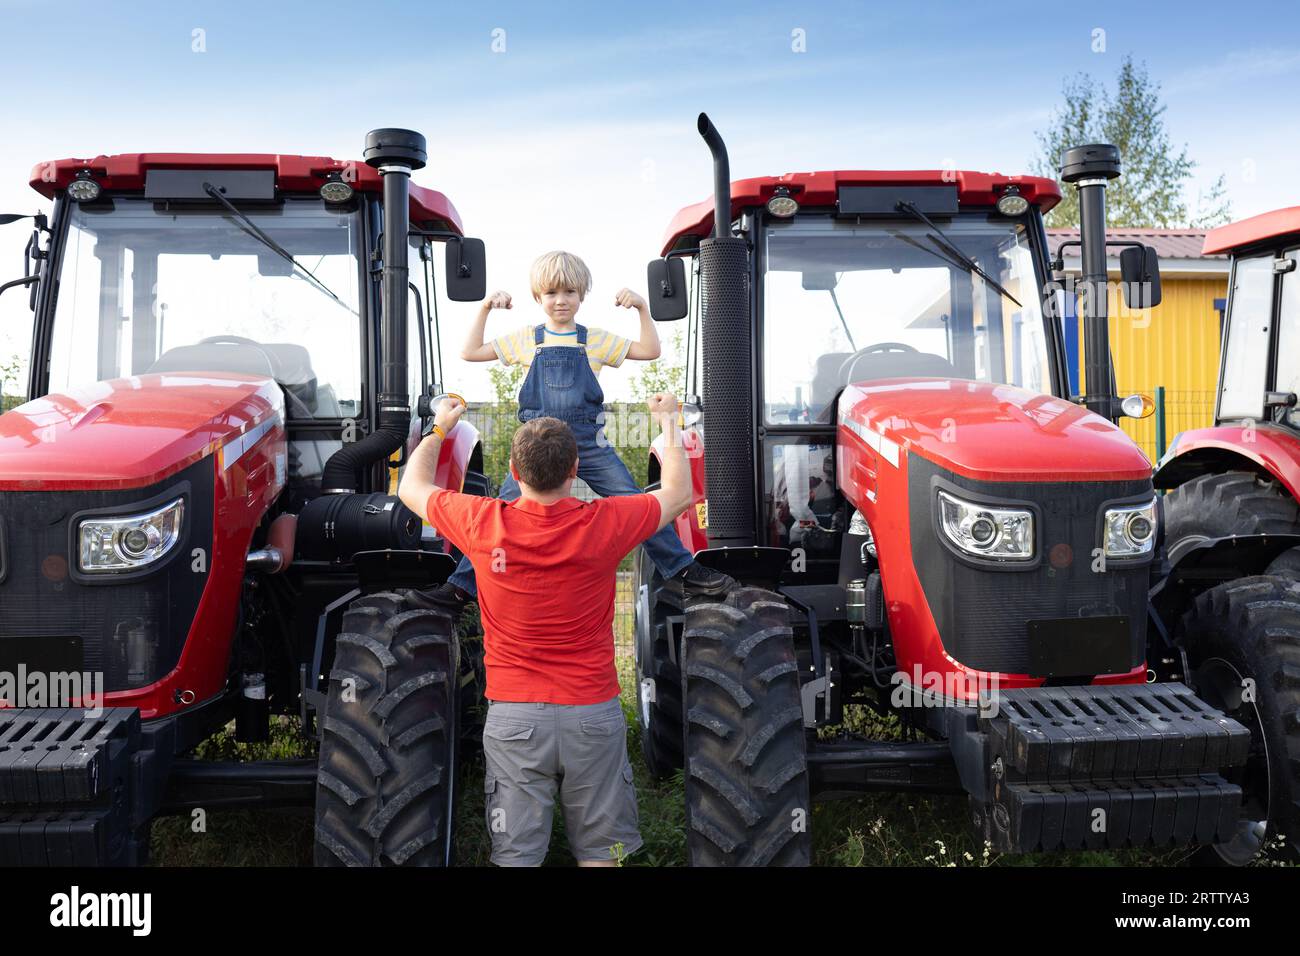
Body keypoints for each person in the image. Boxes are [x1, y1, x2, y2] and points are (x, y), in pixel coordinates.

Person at [397, 392, 699, 866]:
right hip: (592, 715)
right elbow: (679, 494)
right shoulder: (606, 522)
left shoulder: (481, 521)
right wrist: (668, 423)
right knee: (604, 854)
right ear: (575, 469)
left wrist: (440, 428)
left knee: (517, 856)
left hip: (515, 719)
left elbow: (411, 487)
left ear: (513, 476)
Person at [420, 249, 731, 613]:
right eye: (551, 293)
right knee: (501, 514)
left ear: (582, 295)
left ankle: (682, 570)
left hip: (589, 444)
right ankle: (461, 589)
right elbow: (470, 351)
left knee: (639, 503)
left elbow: (649, 350)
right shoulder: (526, 339)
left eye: (569, 292)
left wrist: (643, 309)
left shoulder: (594, 339)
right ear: (538, 298)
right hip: (536, 446)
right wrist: (486, 306)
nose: (561, 301)